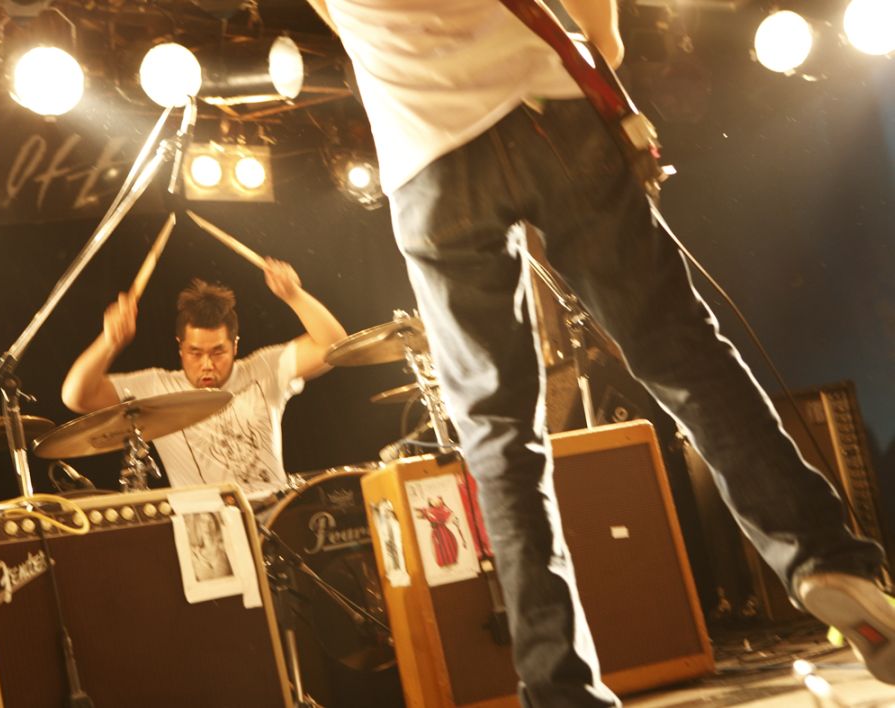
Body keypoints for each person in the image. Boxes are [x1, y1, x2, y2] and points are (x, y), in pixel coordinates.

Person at [304, 0, 895, 704]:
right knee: (682, 355)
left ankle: (558, 686)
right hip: (544, 110)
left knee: (497, 438)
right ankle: (822, 557)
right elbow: (599, 34)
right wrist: (596, 51)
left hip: (424, 162)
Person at [61, 258, 347, 497]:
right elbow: (76, 396)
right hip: (203, 530)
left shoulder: (265, 368)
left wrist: (294, 295)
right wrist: (110, 342)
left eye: (218, 352)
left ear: (235, 345)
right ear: (180, 348)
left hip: (274, 514)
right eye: (195, 353)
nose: (207, 364)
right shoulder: (158, 387)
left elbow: (334, 346)